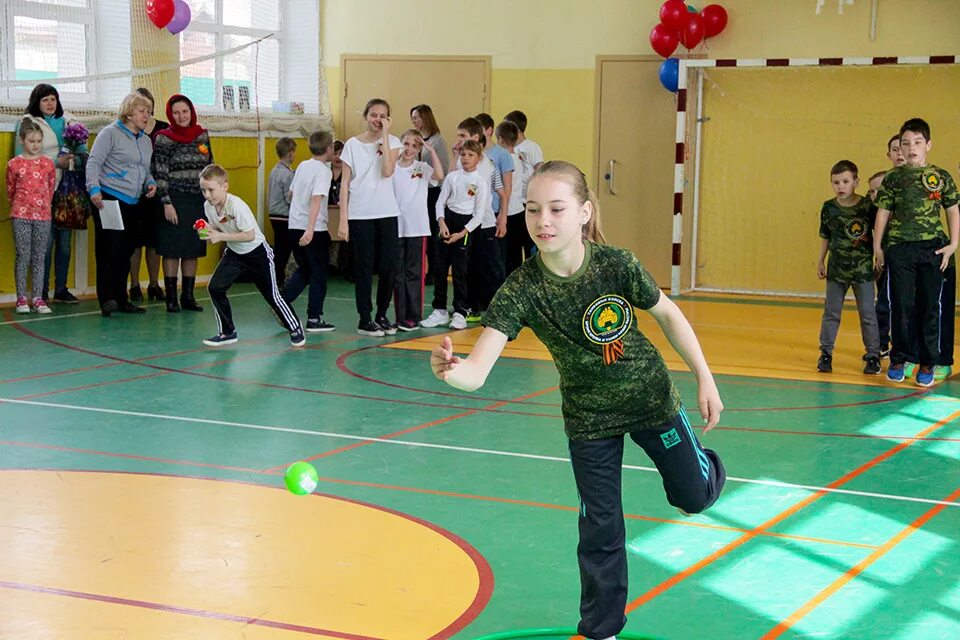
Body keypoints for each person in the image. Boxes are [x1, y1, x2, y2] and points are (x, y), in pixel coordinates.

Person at [430, 160, 725, 640]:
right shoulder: (521, 288)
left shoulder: (617, 265)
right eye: (532, 210)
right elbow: (477, 373)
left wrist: (705, 378)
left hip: (651, 399)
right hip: (588, 420)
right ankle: (602, 629)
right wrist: (451, 370)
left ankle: (705, 466)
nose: (542, 221)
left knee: (692, 496)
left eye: (556, 209)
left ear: (584, 213)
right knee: (600, 527)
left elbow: (669, 316)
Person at [874, 118, 960, 387]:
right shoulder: (893, 179)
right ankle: (899, 358)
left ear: (928, 145)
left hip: (932, 248)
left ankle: (928, 362)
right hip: (900, 248)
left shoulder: (941, 176)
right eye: (905, 143)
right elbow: (883, 212)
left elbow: (952, 210)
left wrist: (953, 244)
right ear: (898, 147)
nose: (911, 148)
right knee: (901, 305)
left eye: (917, 142)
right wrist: (878, 246)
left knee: (930, 306)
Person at [198, 164, 305, 348]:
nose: (207, 195)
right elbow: (220, 225)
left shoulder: (236, 205)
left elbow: (249, 235)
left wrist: (220, 236)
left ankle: (295, 327)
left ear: (225, 187)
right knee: (215, 287)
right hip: (235, 253)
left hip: (257, 254)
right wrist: (208, 231)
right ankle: (227, 332)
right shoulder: (209, 206)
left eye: (211, 190)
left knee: (272, 296)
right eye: (203, 190)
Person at [85, 92, 158, 316]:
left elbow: (145, 169)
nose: (146, 116)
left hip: (134, 201)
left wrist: (151, 182)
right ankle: (107, 299)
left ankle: (122, 298)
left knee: (126, 251)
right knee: (109, 250)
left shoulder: (145, 140)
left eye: (148, 112)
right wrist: (94, 189)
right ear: (129, 112)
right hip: (109, 198)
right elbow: (94, 162)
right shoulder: (110, 133)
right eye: (142, 111)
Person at [15, 83, 86, 304]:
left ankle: (61, 288)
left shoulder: (70, 121)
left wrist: (76, 158)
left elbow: (83, 153)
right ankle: (40, 291)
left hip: (68, 189)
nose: (50, 103)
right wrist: (57, 162)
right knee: (44, 244)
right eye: (45, 99)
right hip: (40, 191)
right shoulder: (27, 123)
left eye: (53, 98)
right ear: (36, 102)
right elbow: (21, 160)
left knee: (65, 242)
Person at [339, 98, 402, 337]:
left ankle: (382, 314)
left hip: (386, 212)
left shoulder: (393, 142)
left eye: (383, 116)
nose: (378, 119)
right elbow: (345, 183)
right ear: (366, 116)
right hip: (360, 213)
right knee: (363, 267)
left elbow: (387, 171)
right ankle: (364, 318)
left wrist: (385, 135)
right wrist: (344, 219)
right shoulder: (352, 145)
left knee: (389, 266)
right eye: (374, 115)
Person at [816, 160, 881, 375]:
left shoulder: (867, 207)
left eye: (845, 181)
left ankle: (873, 355)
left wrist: (878, 257)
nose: (840, 186)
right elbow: (825, 235)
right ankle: (826, 353)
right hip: (837, 271)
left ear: (856, 182)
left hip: (862, 271)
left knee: (868, 314)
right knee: (831, 313)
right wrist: (820, 260)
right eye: (836, 182)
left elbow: (878, 233)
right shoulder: (829, 208)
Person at [421, 140, 491, 331]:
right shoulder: (452, 177)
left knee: (460, 272)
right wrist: (441, 222)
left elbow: (478, 215)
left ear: (478, 158)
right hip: (447, 222)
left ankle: (460, 311)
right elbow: (439, 202)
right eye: (463, 154)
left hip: (464, 227)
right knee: (440, 269)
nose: (466, 158)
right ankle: (440, 310)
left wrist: (461, 233)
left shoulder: (479, 182)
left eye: (470, 155)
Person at [153, 94, 213, 313]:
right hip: (173, 200)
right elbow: (159, 172)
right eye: (176, 112)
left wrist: (212, 199)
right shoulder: (163, 138)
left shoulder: (203, 136)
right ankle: (171, 298)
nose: (181, 116)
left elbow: (210, 168)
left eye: (185, 112)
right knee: (171, 250)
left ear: (191, 112)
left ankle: (188, 296)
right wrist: (166, 203)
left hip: (197, 201)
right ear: (171, 115)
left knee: (192, 250)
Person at [283, 131, 336, 333]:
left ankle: (282, 303)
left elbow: (291, 193)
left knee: (305, 270)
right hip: (313, 229)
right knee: (319, 274)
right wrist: (311, 229)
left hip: (294, 225)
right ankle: (314, 318)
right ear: (329, 148)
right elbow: (316, 198)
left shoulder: (303, 166)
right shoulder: (324, 171)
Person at [392, 129, 444, 331]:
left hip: (417, 227)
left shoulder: (422, 168)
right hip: (396, 227)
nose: (409, 149)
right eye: (406, 144)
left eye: (414, 145)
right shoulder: (392, 168)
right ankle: (400, 316)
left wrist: (431, 151)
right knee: (398, 273)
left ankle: (414, 315)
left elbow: (439, 175)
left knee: (414, 272)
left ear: (419, 149)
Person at [7, 119, 56, 314]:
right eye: (31, 141)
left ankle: (37, 297)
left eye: (39, 141)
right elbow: (10, 189)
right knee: (23, 255)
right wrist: (20, 207)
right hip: (21, 215)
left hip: (43, 216)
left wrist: (43, 206)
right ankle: (21, 298)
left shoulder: (47, 164)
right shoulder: (14, 164)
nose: (36, 145)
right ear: (22, 141)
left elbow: (50, 187)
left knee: (39, 256)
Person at [127, 87, 168, 303]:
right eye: (141, 108)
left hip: (156, 191)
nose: (145, 112)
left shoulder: (163, 128)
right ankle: (134, 285)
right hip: (134, 192)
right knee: (135, 242)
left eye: (148, 107)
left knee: (155, 242)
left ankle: (154, 283)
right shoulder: (130, 130)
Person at [874, 135, 905, 357]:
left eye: (902, 148)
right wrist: (877, 251)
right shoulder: (887, 183)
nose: (900, 153)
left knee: (906, 303)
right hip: (886, 254)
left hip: (908, 254)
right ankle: (882, 343)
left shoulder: (917, 181)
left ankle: (906, 348)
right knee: (883, 301)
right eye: (895, 150)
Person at [411, 104, 449, 280]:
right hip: (419, 191)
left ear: (425, 118)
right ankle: (422, 268)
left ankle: (433, 270)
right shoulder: (417, 139)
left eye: (416, 117)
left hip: (433, 191)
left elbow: (442, 169)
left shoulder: (437, 141)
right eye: (412, 118)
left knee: (432, 231)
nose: (414, 121)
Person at [496, 119, 536, 274]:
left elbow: (507, 188)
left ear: (500, 139)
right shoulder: (520, 157)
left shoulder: (506, 160)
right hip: (519, 209)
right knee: (515, 255)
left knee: (507, 257)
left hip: (509, 212)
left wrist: (502, 214)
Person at [475, 112, 514, 240]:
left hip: (495, 208)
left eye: (479, 130)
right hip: (476, 209)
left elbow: (507, 188)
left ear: (489, 130)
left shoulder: (502, 154)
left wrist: (503, 215)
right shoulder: (472, 154)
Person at [268, 137, 297, 288]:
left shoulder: (274, 171)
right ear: (291, 153)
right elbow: (290, 198)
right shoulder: (288, 175)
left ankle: (276, 280)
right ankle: (279, 281)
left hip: (273, 215)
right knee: (283, 251)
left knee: (279, 249)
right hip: (284, 216)